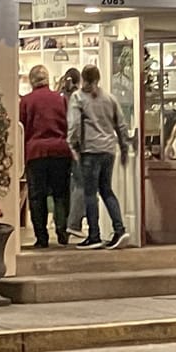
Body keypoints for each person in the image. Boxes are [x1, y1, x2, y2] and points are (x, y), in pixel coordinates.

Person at [67, 64, 129, 248]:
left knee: (90, 193)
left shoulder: (78, 98)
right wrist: (124, 147)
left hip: (90, 151)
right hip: (109, 150)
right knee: (106, 190)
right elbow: (121, 124)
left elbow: (75, 124)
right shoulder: (109, 98)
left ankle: (94, 235)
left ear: (83, 79)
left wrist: (73, 145)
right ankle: (120, 229)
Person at [18, 65, 74, 249]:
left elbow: (21, 128)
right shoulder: (61, 100)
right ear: (47, 79)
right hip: (60, 151)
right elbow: (69, 124)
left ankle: (41, 237)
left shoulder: (26, 101)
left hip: (36, 152)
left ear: (32, 81)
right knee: (61, 193)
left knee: (37, 196)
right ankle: (61, 231)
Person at [58, 68, 87, 238]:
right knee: (80, 184)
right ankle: (73, 223)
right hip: (77, 144)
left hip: (61, 146)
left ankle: (64, 224)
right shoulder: (79, 98)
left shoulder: (60, 97)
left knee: (68, 187)